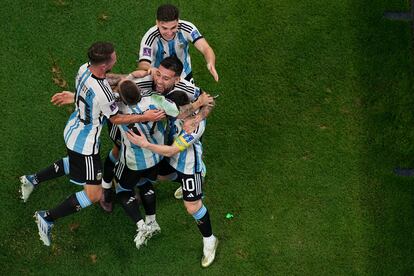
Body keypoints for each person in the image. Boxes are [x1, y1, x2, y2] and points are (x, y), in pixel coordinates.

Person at [32, 42, 165, 247]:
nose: (116, 57)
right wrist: (144, 116)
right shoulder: (104, 92)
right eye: (113, 56)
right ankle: (47, 217)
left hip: (74, 128)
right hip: (85, 145)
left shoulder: (84, 69)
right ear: (104, 65)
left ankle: (32, 179)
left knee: (76, 165)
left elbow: (90, 95)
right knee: (93, 195)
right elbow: (116, 119)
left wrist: (75, 96)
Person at [126, 90, 218, 267]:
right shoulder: (175, 105)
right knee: (158, 174)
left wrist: (145, 144)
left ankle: (210, 240)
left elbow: (173, 150)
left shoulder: (196, 125)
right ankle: (189, 182)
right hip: (172, 161)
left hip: (189, 165)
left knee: (192, 207)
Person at [138, 4, 219, 82]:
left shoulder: (187, 28)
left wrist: (211, 62)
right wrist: (149, 69)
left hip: (183, 74)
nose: (169, 33)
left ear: (178, 21)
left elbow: (205, 48)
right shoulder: (150, 37)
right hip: (159, 77)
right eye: (165, 28)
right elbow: (143, 62)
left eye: (173, 27)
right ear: (157, 23)